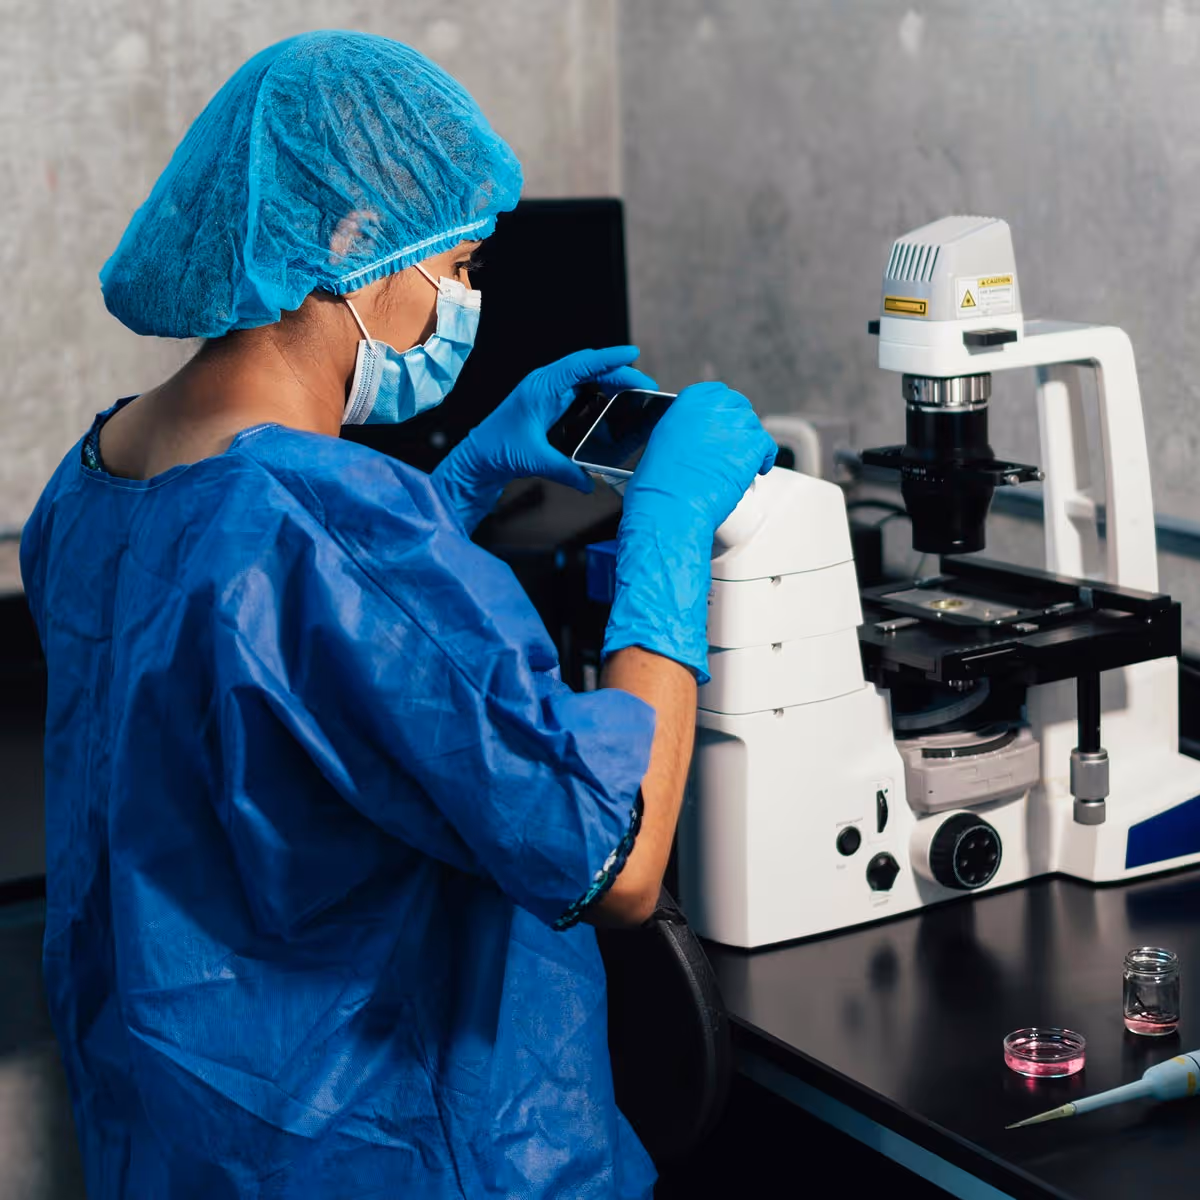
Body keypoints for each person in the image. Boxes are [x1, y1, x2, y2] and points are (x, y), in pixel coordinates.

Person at [20, 30, 775, 1200]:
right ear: (353, 241)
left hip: (188, 1145)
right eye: (464, 266)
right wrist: (667, 535)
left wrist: (451, 490)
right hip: (392, 1149)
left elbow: (273, 658)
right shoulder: (327, 524)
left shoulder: (93, 482)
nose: (468, 301)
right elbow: (613, 860)